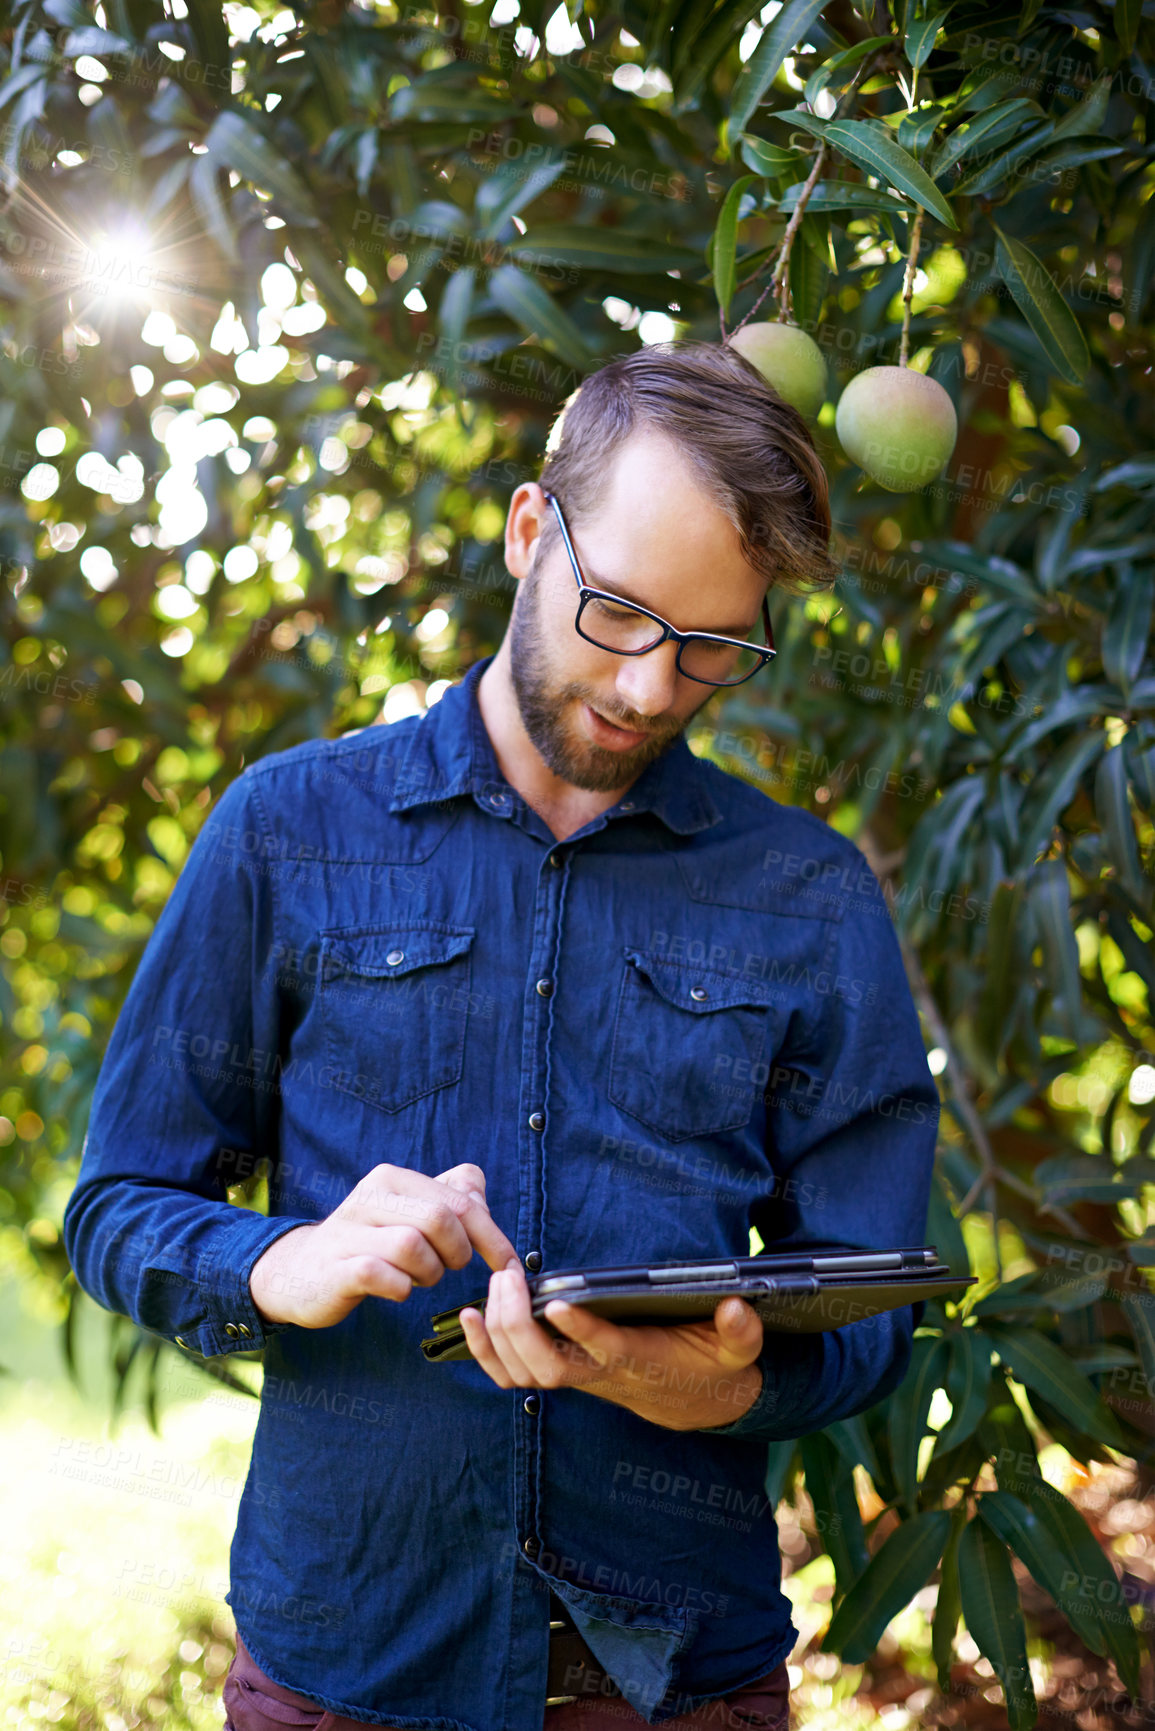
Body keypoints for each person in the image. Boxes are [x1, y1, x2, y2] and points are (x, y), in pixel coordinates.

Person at [62, 339, 940, 1731]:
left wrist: (713, 1387)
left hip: (678, 1687)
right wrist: (278, 1261)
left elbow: (874, 1300)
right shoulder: (287, 831)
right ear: (533, 531)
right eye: (619, 615)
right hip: (346, 1673)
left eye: (713, 646)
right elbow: (118, 1207)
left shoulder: (811, 897)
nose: (654, 686)